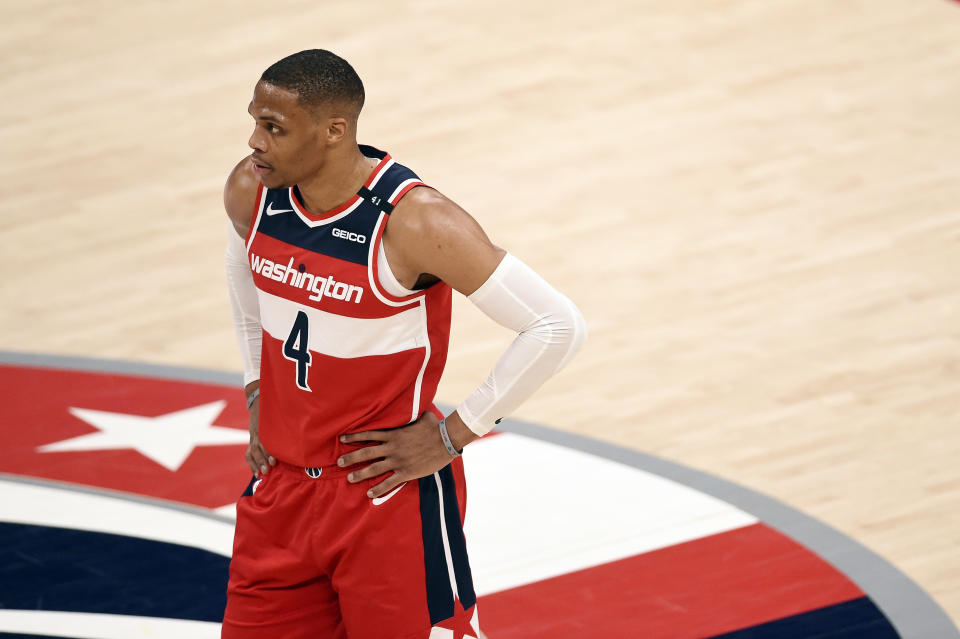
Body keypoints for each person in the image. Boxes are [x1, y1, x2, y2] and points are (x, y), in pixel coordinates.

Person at [222, 49, 586, 639]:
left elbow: (556, 324)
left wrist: (455, 433)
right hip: (280, 492)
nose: (255, 142)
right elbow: (244, 273)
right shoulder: (252, 191)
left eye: (274, 128)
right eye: (255, 122)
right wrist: (256, 384)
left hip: (383, 495)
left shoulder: (416, 223)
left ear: (334, 131)